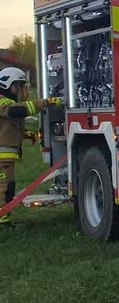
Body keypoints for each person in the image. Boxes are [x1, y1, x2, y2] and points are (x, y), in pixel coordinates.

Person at [0, 68, 60, 224]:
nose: (22, 90)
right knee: (3, 188)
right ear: (9, 85)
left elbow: (8, 126)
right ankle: (3, 221)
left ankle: (5, 219)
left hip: (6, 158)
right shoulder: (4, 102)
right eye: (19, 86)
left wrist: (26, 134)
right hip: (2, 158)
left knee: (8, 187)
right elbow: (18, 111)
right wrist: (46, 103)